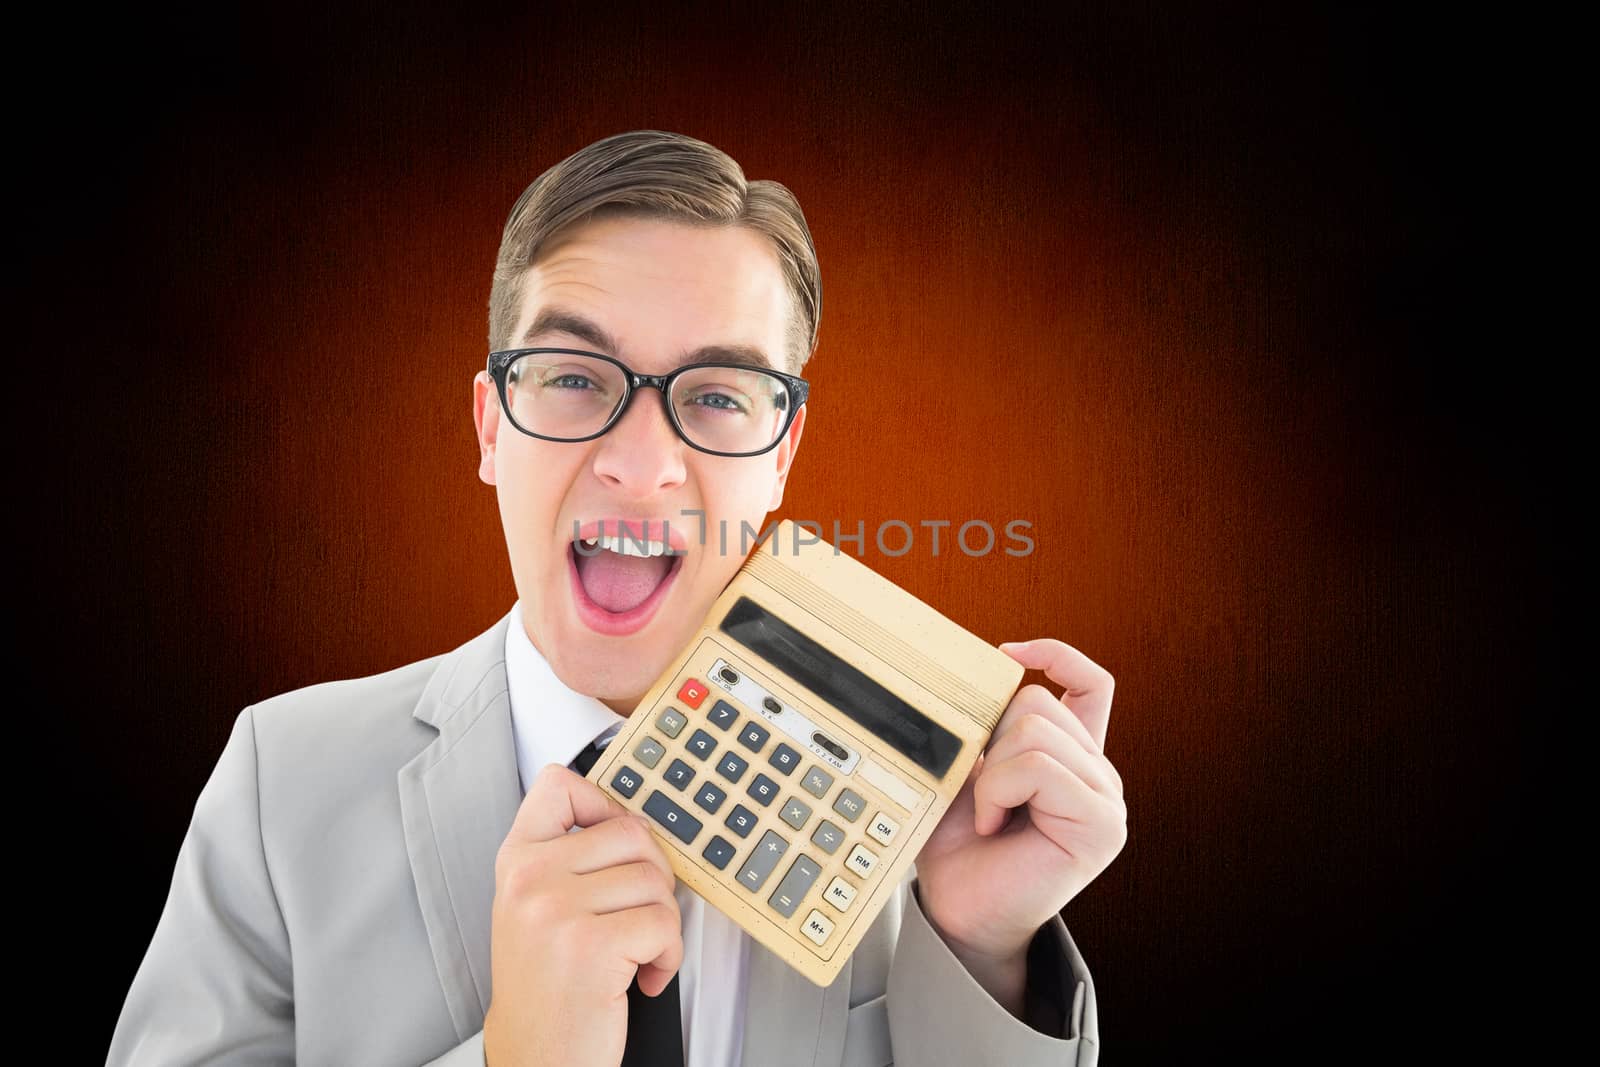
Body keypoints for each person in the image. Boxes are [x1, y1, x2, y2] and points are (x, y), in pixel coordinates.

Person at [106, 129, 1125, 1067]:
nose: (641, 464)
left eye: (719, 394)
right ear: (489, 428)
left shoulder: (930, 834)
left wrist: (984, 952)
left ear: (780, 458)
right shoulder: (280, 784)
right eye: (574, 376)